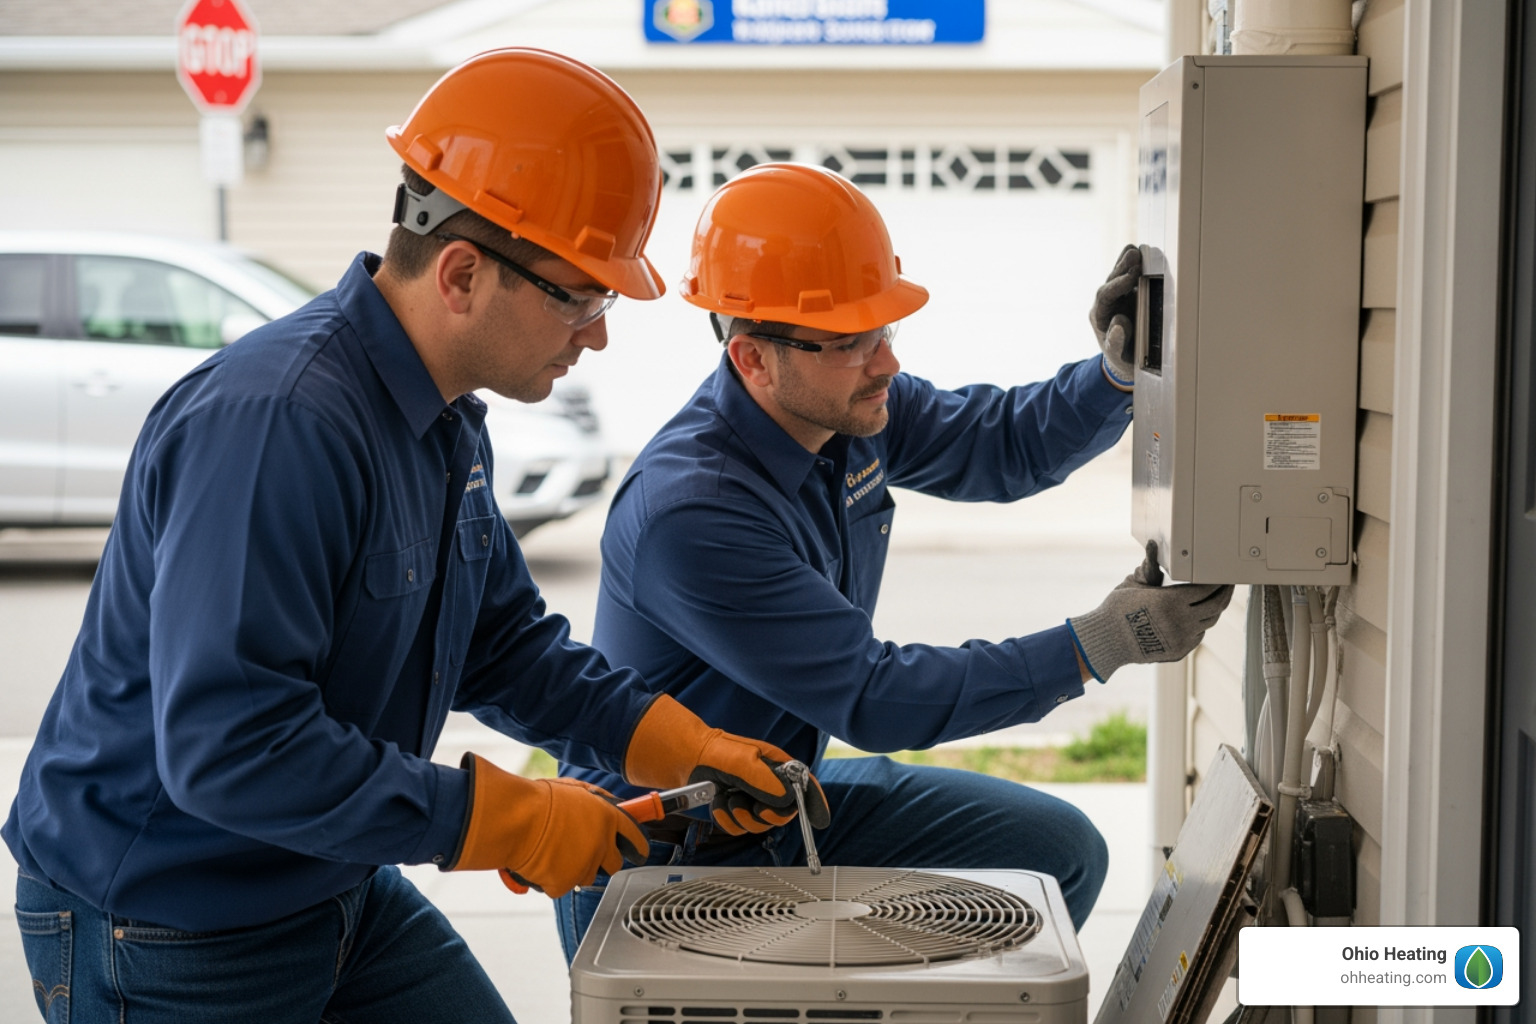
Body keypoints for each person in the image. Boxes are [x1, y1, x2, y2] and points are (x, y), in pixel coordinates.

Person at [3, 50, 826, 1024]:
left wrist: (681, 744)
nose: (597, 333)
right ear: (465, 272)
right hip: (172, 917)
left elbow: (506, 648)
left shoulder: (443, 422)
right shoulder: (279, 425)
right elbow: (231, 746)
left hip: (330, 878)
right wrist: (502, 818)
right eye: (583, 296)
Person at [554, 162, 1234, 961]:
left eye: (884, 330)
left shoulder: (848, 404)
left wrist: (1116, 375)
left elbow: (999, 445)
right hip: (668, 852)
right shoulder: (694, 513)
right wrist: (1098, 644)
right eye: (850, 341)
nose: (886, 363)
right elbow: (875, 697)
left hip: (781, 802)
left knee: (1060, 851)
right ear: (753, 360)